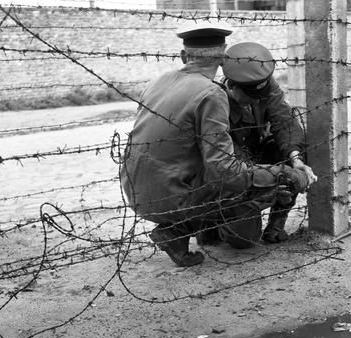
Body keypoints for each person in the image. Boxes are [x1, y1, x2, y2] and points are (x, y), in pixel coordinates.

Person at [120, 24, 311, 267]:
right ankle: (182, 228)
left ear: (182, 56)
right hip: (177, 194)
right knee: (246, 236)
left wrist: (293, 158)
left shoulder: (159, 80)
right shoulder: (212, 94)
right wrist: (284, 173)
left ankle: (203, 226)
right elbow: (224, 170)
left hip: (137, 191)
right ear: (223, 60)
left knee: (241, 176)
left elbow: (283, 119)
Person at [221, 42, 318, 243]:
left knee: (296, 152)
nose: (257, 102)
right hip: (234, 173)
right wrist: (272, 187)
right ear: (231, 86)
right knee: (243, 241)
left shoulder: (265, 85)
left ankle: (276, 226)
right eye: (250, 97)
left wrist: (296, 160)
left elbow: (285, 122)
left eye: (260, 97)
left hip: (258, 157)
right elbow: (232, 166)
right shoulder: (217, 104)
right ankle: (213, 226)